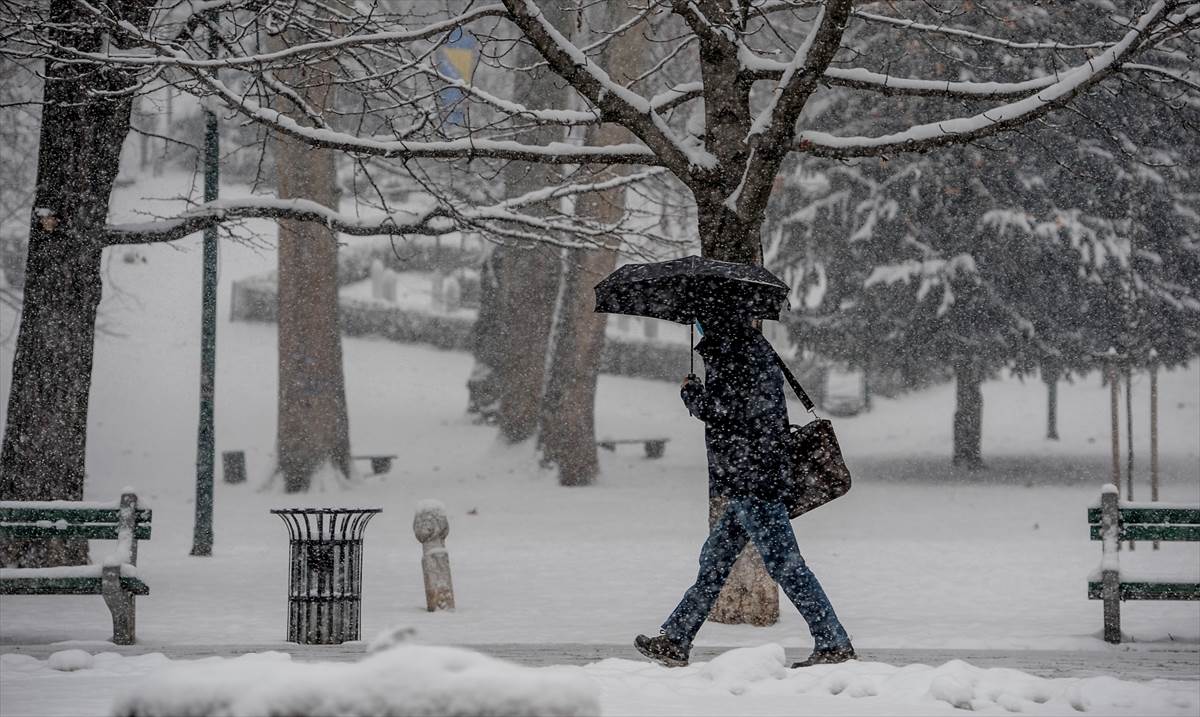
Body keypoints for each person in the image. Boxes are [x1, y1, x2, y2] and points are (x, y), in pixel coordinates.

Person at [634, 313, 855, 669]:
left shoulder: (735, 352)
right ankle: (676, 639)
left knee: (786, 565)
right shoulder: (749, 347)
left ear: (716, 317)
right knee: (715, 561)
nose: (698, 325)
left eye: (701, 318)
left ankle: (833, 642)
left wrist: (692, 395)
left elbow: (728, 413)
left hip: (754, 480)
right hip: (750, 478)